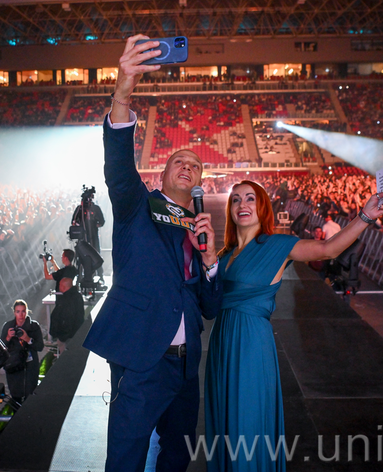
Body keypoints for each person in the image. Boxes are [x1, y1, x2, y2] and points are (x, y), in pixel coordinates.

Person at [83, 34, 222, 472]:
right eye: (180, 160)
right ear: (162, 174)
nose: (188, 166)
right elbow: (118, 165)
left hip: (185, 367)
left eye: (195, 165)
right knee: (126, 458)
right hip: (143, 358)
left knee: (176, 457)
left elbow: (210, 308)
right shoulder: (136, 205)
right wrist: (123, 93)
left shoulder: (198, 229)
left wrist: (210, 262)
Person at [205, 180, 383, 472]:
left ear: (263, 207)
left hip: (251, 345)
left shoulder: (277, 245)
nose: (242, 204)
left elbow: (328, 249)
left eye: (250, 198)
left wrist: (364, 217)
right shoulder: (224, 254)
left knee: (247, 422)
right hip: (221, 346)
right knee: (226, 423)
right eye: (236, 199)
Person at [0, 300, 44, 408]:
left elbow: (40, 347)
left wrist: (28, 339)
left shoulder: (34, 326)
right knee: (15, 394)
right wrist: (8, 337)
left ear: (27, 311)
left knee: (30, 392)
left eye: (23, 311)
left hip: (30, 365)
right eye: (18, 311)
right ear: (14, 312)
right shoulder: (8, 326)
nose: (21, 315)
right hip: (14, 364)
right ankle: (16, 415)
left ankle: (29, 414)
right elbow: (1, 348)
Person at [48, 265, 84, 354]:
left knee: (65, 354)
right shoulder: (77, 296)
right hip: (74, 333)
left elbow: (67, 319)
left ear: (63, 287)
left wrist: (62, 337)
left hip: (67, 336)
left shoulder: (67, 300)